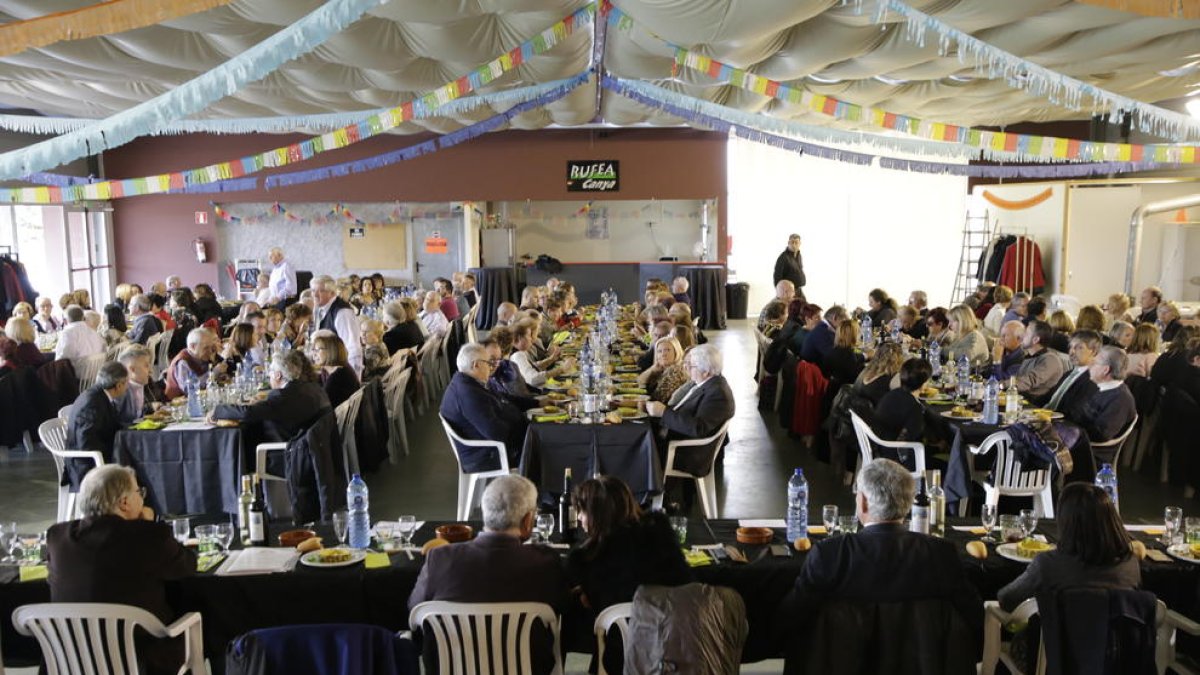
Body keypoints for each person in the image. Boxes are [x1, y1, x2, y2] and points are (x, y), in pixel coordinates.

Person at [782, 458, 982, 655]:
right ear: (908, 503)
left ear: (863, 503)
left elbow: (793, 615)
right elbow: (973, 616)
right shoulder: (941, 553)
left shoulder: (830, 554)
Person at [47, 465, 196, 675]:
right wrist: (149, 525)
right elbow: (187, 565)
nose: (142, 498)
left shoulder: (57, 537)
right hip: (140, 660)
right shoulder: (149, 537)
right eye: (138, 492)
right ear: (124, 502)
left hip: (71, 660)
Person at [409, 475, 566, 673]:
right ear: (528, 521)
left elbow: (414, 610)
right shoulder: (546, 562)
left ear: (485, 513)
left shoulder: (439, 558)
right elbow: (561, 611)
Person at [567, 476, 691, 675]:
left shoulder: (586, 559)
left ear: (597, 514)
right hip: (669, 653)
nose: (579, 517)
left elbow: (592, 606)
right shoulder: (661, 540)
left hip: (617, 659)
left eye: (582, 511)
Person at [997, 482, 1139, 611]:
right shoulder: (1130, 565)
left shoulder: (1047, 565)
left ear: (1067, 524)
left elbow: (1006, 599)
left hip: (1058, 639)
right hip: (1114, 639)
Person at [440, 343, 528, 471]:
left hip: (489, 448)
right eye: (488, 363)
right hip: (487, 455)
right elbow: (496, 433)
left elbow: (504, 398)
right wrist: (520, 424)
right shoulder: (468, 394)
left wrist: (536, 403)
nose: (491, 367)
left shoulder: (469, 382)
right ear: (476, 365)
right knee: (541, 446)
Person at [213, 350, 332, 442]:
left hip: (287, 456)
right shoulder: (312, 387)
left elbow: (247, 413)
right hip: (313, 451)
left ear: (278, 375)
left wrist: (217, 410)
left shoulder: (283, 396)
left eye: (270, 371)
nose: (268, 375)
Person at [645, 343, 735, 448]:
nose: (686, 367)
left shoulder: (718, 394)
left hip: (681, 448)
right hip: (669, 433)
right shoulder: (702, 381)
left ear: (705, 371)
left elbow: (698, 428)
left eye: (691, 365)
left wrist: (663, 412)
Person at [66, 362, 129, 486]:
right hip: (85, 465)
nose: (127, 387)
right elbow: (86, 442)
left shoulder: (100, 395)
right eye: (127, 382)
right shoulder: (93, 403)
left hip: (95, 454)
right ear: (119, 385)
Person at [1072, 346, 1137, 443]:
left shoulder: (1121, 400)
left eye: (1094, 363)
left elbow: (1100, 435)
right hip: (1075, 435)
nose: (1089, 366)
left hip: (1088, 450)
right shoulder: (1101, 386)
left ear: (1105, 370)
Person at [311, 274, 363, 375]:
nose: (315, 295)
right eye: (313, 290)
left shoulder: (342, 312)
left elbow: (353, 348)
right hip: (327, 370)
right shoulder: (319, 309)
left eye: (320, 291)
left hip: (341, 374)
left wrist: (354, 377)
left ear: (332, 293)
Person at [873, 358, 933, 443]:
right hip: (893, 452)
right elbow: (908, 444)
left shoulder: (890, 394)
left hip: (879, 446)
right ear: (923, 384)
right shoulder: (914, 407)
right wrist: (936, 448)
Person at [1045, 330, 1101, 417]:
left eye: (1079, 347)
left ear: (1093, 351)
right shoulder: (1069, 373)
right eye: (1071, 347)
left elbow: (1075, 414)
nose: (1072, 352)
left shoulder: (1093, 381)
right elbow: (1048, 398)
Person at [164, 328, 226, 399]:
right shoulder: (182, 362)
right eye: (206, 348)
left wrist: (215, 360)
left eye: (211, 347)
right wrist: (214, 373)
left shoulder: (202, 356)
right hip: (179, 405)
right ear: (192, 346)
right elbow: (189, 389)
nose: (209, 351)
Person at [1013, 320, 1067, 400]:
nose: (1022, 336)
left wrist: (1002, 385)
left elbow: (1029, 381)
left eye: (1027, 333)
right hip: (1022, 401)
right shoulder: (1028, 356)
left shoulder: (1051, 360)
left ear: (1035, 340)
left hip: (1036, 406)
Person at [116, 344, 165, 424]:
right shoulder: (122, 391)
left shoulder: (140, 383)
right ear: (132, 369)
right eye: (146, 366)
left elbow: (138, 414)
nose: (151, 370)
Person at [312, 330, 361, 411]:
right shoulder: (334, 369)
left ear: (331, 351)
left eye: (317, 350)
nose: (314, 354)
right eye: (313, 350)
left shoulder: (338, 377)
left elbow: (322, 405)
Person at [638, 337, 689, 404]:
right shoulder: (661, 369)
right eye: (659, 351)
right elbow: (639, 382)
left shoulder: (675, 372)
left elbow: (658, 400)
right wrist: (651, 370)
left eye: (668, 350)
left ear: (676, 352)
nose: (663, 354)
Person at [55, 305, 106, 370]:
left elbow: (63, 358)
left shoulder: (67, 332)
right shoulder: (94, 332)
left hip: (79, 375)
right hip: (96, 372)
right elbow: (104, 349)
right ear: (83, 317)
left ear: (66, 320)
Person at [820, 319, 864, 384]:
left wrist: (863, 356)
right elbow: (856, 379)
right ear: (854, 335)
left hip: (832, 386)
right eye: (859, 332)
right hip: (845, 389)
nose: (861, 335)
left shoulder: (833, 350)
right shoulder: (849, 356)